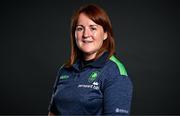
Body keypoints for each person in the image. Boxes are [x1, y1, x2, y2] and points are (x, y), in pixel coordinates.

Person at [48, 3, 133, 115]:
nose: (86, 34)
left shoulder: (115, 73)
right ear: (74, 34)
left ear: (105, 34)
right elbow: (53, 112)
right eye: (80, 29)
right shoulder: (64, 70)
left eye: (93, 28)